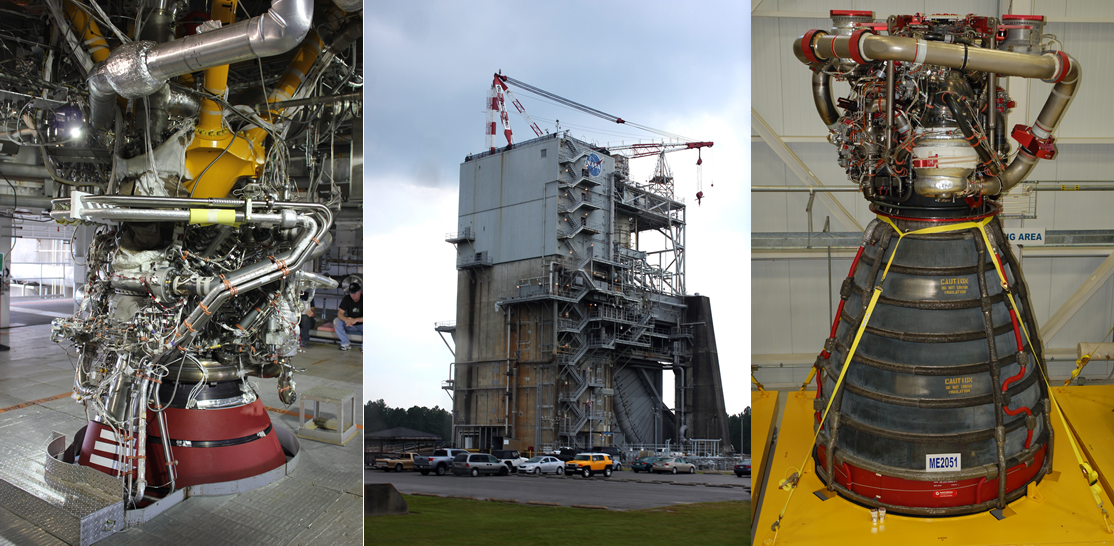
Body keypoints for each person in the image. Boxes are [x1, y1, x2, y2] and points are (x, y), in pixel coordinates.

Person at [333, 282, 363, 351]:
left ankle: (366, 346)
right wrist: (347, 319)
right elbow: (340, 313)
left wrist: (356, 320)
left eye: (355, 293)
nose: (353, 295)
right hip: (350, 324)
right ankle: (345, 343)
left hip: (362, 325)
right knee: (336, 321)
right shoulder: (347, 298)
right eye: (351, 293)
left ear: (360, 292)